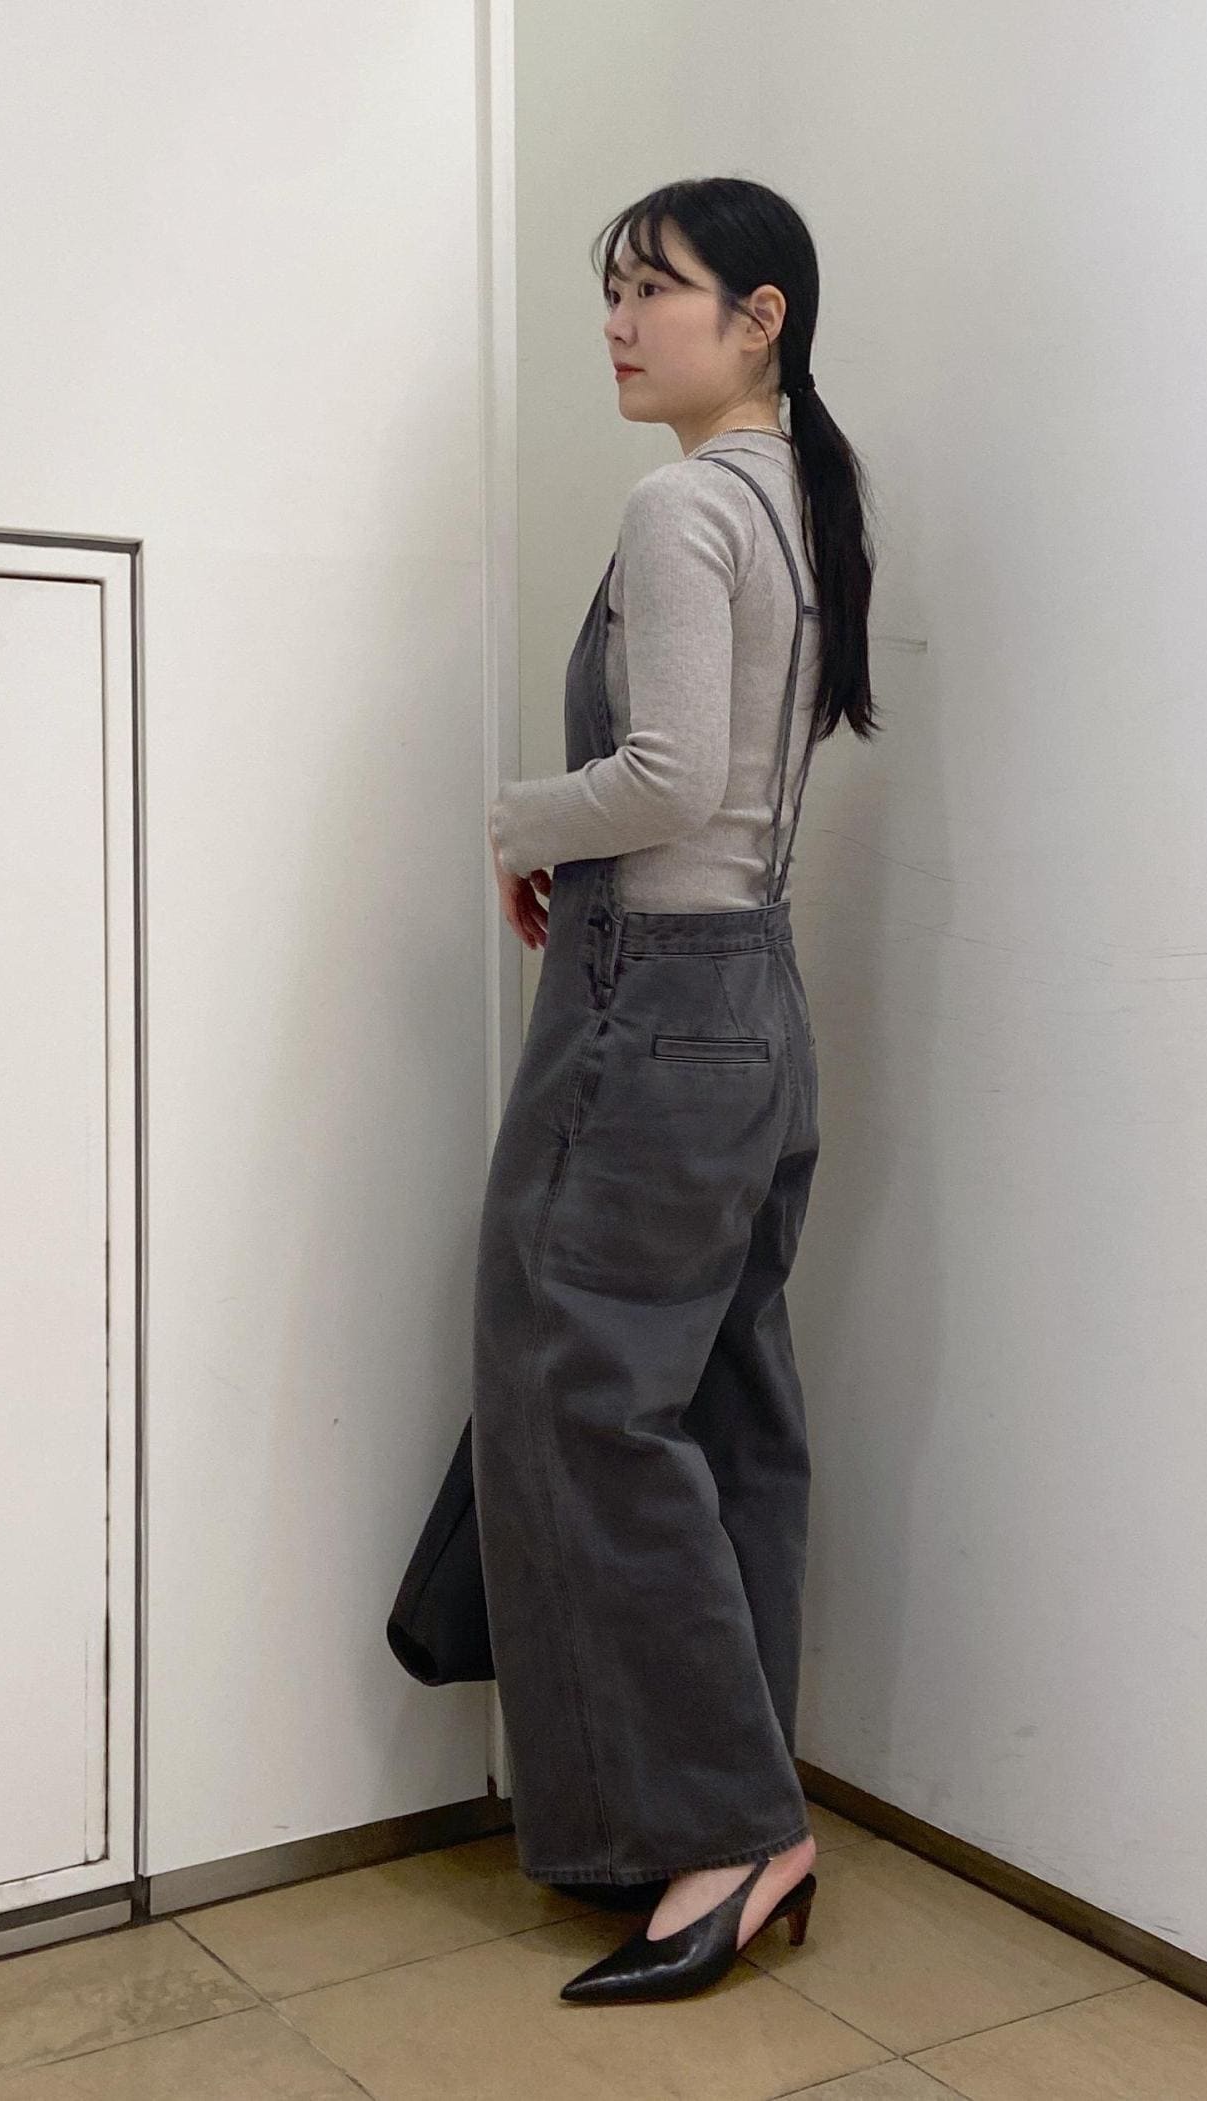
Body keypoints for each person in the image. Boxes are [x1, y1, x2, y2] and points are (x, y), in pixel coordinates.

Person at [473, 175, 880, 2006]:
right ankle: (736, 1804)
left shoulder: (681, 503)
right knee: (722, 1406)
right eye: (615, 291)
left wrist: (516, 819)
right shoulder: (804, 501)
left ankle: (722, 1826)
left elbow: (661, 779)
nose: (621, 323)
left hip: (655, 998)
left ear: (762, 316)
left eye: (659, 289)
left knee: (581, 1398)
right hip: (758, 997)